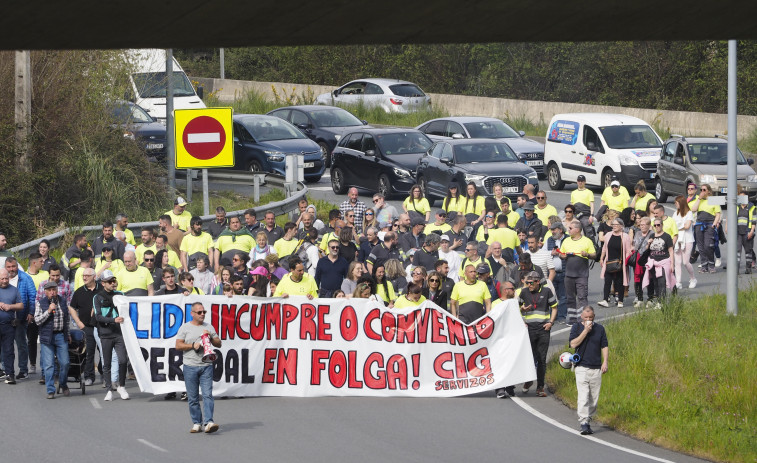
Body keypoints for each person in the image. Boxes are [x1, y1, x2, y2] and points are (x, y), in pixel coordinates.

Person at [176, 302, 221, 433]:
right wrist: (192, 346)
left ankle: (209, 422)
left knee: (207, 395)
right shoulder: (185, 328)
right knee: (193, 397)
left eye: (204, 312)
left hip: (206, 365)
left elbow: (219, 344)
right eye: (199, 312)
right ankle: (197, 423)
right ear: (192, 313)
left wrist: (211, 337)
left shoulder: (209, 327)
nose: (202, 314)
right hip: (190, 366)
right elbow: (178, 346)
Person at [569, 306, 609, 435]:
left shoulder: (600, 329)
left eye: (590, 318)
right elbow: (573, 344)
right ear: (581, 317)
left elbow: (604, 345)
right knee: (583, 396)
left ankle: (588, 418)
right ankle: (584, 422)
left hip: (596, 367)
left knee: (593, 398)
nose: (588, 320)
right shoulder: (576, 328)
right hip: (581, 367)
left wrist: (605, 361)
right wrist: (585, 331)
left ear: (594, 317)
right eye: (586, 317)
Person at [92, 270, 129, 401]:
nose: (113, 283)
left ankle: (122, 386)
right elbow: (98, 316)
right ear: (103, 283)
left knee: (123, 360)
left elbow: (131, 307)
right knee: (106, 363)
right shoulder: (97, 297)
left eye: (114, 281)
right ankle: (109, 389)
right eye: (109, 281)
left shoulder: (121, 294)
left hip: (119, 333)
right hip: (106, 334)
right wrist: (113, 320)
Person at [519, 271, 557, 398]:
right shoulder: (524, 292)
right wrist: (522, 310)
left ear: (538, 282)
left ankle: (540, 387)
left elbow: (555, 307)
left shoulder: (546, 291)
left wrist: (550, 322)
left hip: (543, 329)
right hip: (529, 329)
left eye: (530, 283)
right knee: (529, 357)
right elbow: (515, 308)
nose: (528, 285)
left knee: (541, 358)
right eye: (527, 282)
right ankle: (528, 380)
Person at [35, 281, 71, 397]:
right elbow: (37, 320)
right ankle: (50, 390)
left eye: (54, 290)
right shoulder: (41, 303)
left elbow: (67, 320)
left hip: (61, 335)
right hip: (47, 337)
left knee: (65, 363)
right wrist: (49, 311)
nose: (52, 292)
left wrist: (68, 333)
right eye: (49, 290)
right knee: (49, 365)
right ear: (45, 292)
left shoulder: (63, 301)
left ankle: (63, 383)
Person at [559, 220, 596, 324]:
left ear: (578, 230)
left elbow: (594, 255)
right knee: (570, 298)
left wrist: (587, 254)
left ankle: (583, 320)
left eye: (570, 228)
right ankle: (572, 319)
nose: (568, 230)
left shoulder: (587, 241)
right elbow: (561, 254)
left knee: (582, 297)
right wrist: (562, 255)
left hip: (581, 275)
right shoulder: (566, 241)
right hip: (568, 274)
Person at [68, 266, 98, 386]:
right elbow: (71, 307)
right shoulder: (79, 292)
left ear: (94, 277)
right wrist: (78, 322)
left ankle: (103, 371)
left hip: (102, 326)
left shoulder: (101, 289)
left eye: (87, 276)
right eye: (83, 276)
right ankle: (89, 376)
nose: (84, 278)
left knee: (105, 352)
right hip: (87, 326)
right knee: (89, 352)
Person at [5, 256, 34, 380]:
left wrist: (31, 313)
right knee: (5, 345)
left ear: (17, 266)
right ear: (5, 267)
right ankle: (4, 369)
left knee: (21, 344)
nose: (12, 269)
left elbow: (32, 296)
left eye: (14, 266)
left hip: (20, 317)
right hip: (4, 318)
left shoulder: (25, 278)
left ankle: (23, 370)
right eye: (9, 267)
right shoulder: (2, 278)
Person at [598, 217, 631, 308]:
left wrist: (625, 261)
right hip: (609, 261)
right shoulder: (608, 234)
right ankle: (605, 299)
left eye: (616, 225)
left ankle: (620, 301)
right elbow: (604, 248)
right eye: (613, 224)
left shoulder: (625, 236)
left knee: (619, 282)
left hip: (620, 263)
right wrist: (601, 258)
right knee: (607, 281)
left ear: (621, 226)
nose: (614, 226)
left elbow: (628, 251)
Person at [643, 218, 676, 307]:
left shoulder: (667, 236)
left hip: (663, 262)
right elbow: (647, 249)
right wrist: (648, 243)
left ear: (662, 225)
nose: (657, 227)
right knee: (655, 282)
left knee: (662, 282)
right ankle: (658, 300)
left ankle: (661, 302)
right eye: (655, 225)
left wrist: (672, 264)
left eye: (658, 225)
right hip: (653, 262)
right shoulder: (652, 236)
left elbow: (671, 250)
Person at [0, 268, 23, 384]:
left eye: (6, 278)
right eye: (2, 279)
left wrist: (10, 307)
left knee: (9, 350)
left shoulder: (14, 290)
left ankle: (10, 374)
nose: (4, 281)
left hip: (8, 325)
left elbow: (21, 305)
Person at [691, 184, 721, 273]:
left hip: (709, 224)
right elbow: (693, 209)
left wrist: (714, 224)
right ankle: (704, 266)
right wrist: (699, 198)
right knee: (701, 246)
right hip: (699, 224)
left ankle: (711, 264)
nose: (702, 192)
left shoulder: (713, 200)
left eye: (704, 190)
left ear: (709, 191)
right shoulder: (699, 200)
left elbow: (718, 214)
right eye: (701, 190)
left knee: (708, 245)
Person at [673, 196, 697, 287]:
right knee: (677, 262)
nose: (675, 204)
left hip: (687, 239)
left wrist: (678, 226)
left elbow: (687, 226)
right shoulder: (675, 213)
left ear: (681, 203)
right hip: (677, 238)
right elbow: (673, 224)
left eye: (676, 203)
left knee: (686, 262)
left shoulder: (689, 213)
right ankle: (678, 281)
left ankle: (693, 278)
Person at [734, 188, 756, 274]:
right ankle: (736, 269)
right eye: (740, 197)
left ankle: (748, 268)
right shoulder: (736, 207)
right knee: (737, 251)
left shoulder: (752, 207)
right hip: (738, 232)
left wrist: (752, 231)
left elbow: (754, 221)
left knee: (748, 251)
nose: (741, 199)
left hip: (748, 232)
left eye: (743, 197)